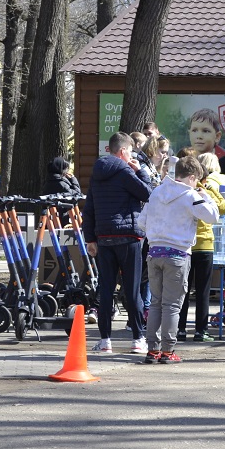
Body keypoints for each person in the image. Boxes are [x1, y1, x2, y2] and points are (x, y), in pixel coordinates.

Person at [137, 156, 219, 364]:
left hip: (154, 252)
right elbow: (212, 217)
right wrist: (206, 197)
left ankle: (152, 350)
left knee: (155, 303)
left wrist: (158, 233)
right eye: (196, 180)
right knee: (172, 305)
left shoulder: (156, 192)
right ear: (191, 177)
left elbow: (141, 222)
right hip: (178, 254)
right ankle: (167, 350)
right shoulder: (190, 195)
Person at [82, 132, 153, 354]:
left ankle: (105, 341)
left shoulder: (96, 173)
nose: (132, 156)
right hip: (129, 237)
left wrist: (90, 239)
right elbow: (147, 193)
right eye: (130, 151)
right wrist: (140, 171)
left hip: (104, 238)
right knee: (132, 290)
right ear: (123, 151)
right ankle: (138, 338)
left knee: (105, 290)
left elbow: (89, 208)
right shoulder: (124, 171)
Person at [177, 153, 225, 343]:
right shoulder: (205, 191)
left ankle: (180, 329)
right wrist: (209, 190)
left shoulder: (184, 191)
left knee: (183, 290)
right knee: (203, 291)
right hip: (205, 245)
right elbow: (222, 207)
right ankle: (201, 331)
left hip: (186, 244)